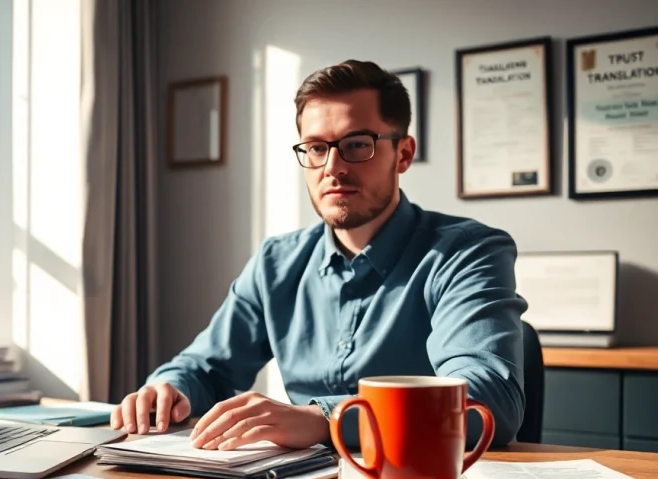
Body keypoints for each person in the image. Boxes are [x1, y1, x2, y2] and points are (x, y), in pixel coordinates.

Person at [110, 59, 528, 451]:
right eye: (315, 148)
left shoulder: (466, 252)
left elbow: (487, 399)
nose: (332, 167)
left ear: (403, 154)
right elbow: (206, 367)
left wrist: (326, 420)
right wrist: (169, 389)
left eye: (357, 144)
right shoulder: (276, 263)